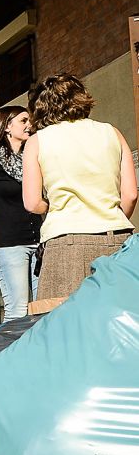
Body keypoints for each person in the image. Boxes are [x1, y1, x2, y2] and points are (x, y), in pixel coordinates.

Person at [22, 73, 136, 300]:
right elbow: (131, 194)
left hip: (66, 243)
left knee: (63, 329)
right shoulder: (112, 132)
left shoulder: (38, 141)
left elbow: (32, 202)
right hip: (118, 241)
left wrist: (52, 207)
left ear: (41, 107)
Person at [0, 106, 41, 321]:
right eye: (23, 121)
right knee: (17, 313)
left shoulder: (34, 161)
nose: (29, 125)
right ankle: (7, 354)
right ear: (6, 126)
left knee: (41, 311)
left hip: (40, 244)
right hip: (9, 246)